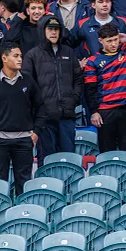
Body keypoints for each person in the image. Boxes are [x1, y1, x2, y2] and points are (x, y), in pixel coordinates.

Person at [0, 43, 46, 195]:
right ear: (4, 58)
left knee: (24, 184)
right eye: (16, 56)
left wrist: (35, 133)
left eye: (20, 56)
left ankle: (23, 210)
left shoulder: (28, 81)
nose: (20, 59)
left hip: (24, 140)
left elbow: (41, 108)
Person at [22, 16, 81, 161]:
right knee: (47, 159)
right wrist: (38, 107)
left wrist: (74, 99)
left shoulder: (69, 52)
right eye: (50, 29)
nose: (54, 32)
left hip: (67, 115)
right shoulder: (32, 55)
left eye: (56, 29)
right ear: (42, 31)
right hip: (44, 117)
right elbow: (27, 84)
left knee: (68, 159)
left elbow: (78, 79)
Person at [84, 23, 126, 153]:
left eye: (115, 39)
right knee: (107, 152)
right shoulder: (93, 61)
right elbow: (89, 89)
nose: (114, 44)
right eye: (109, 41)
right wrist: (94, 112)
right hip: (105, 112)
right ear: (100, 41)